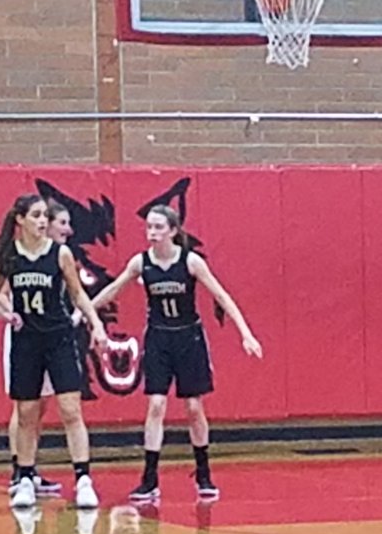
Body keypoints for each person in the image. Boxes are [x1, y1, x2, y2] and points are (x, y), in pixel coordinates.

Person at [91, 204, 263, 504]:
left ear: (172, 230)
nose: (152, 233)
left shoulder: (191, 261)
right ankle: (149, 478)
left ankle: (203, 471)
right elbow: (113, 289)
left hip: (189, 337)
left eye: (159, 227)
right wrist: (85, 312)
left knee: (194, 408)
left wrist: (245, 333)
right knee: (156, 404)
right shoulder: (140, 262)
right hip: (158, 337)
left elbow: (222, 296)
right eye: (149, 227)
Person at [0, 193, 106, 510]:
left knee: (70, 409)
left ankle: (83, 478)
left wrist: (96, 324)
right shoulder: (11, 255)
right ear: (20, 219)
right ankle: (24, 478)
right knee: (26, 414)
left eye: (45, 215)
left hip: (58, 337)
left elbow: (77, 293)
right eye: (36, 215)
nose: (42, 221)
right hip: (26, 340)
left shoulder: (60, 254)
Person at [0, 201, 78, 499]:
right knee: (25, 407)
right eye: (62, 223)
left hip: (52, 335)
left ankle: (30, 470)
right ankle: (19, 470)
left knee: (42, 406)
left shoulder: (57, 255)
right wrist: (10, 312)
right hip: (24, 333)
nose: (67, 229)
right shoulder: (17, 256)